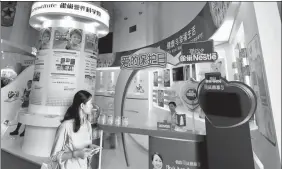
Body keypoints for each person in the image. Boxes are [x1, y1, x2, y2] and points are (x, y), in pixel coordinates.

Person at [50, 90, 100, 169]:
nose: (92, 106)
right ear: (82, 106)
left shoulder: (88, 125)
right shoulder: (65, 126)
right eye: (90, 103)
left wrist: (91, 148)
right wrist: (75, 154)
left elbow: (85, 149)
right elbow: (54, 156)